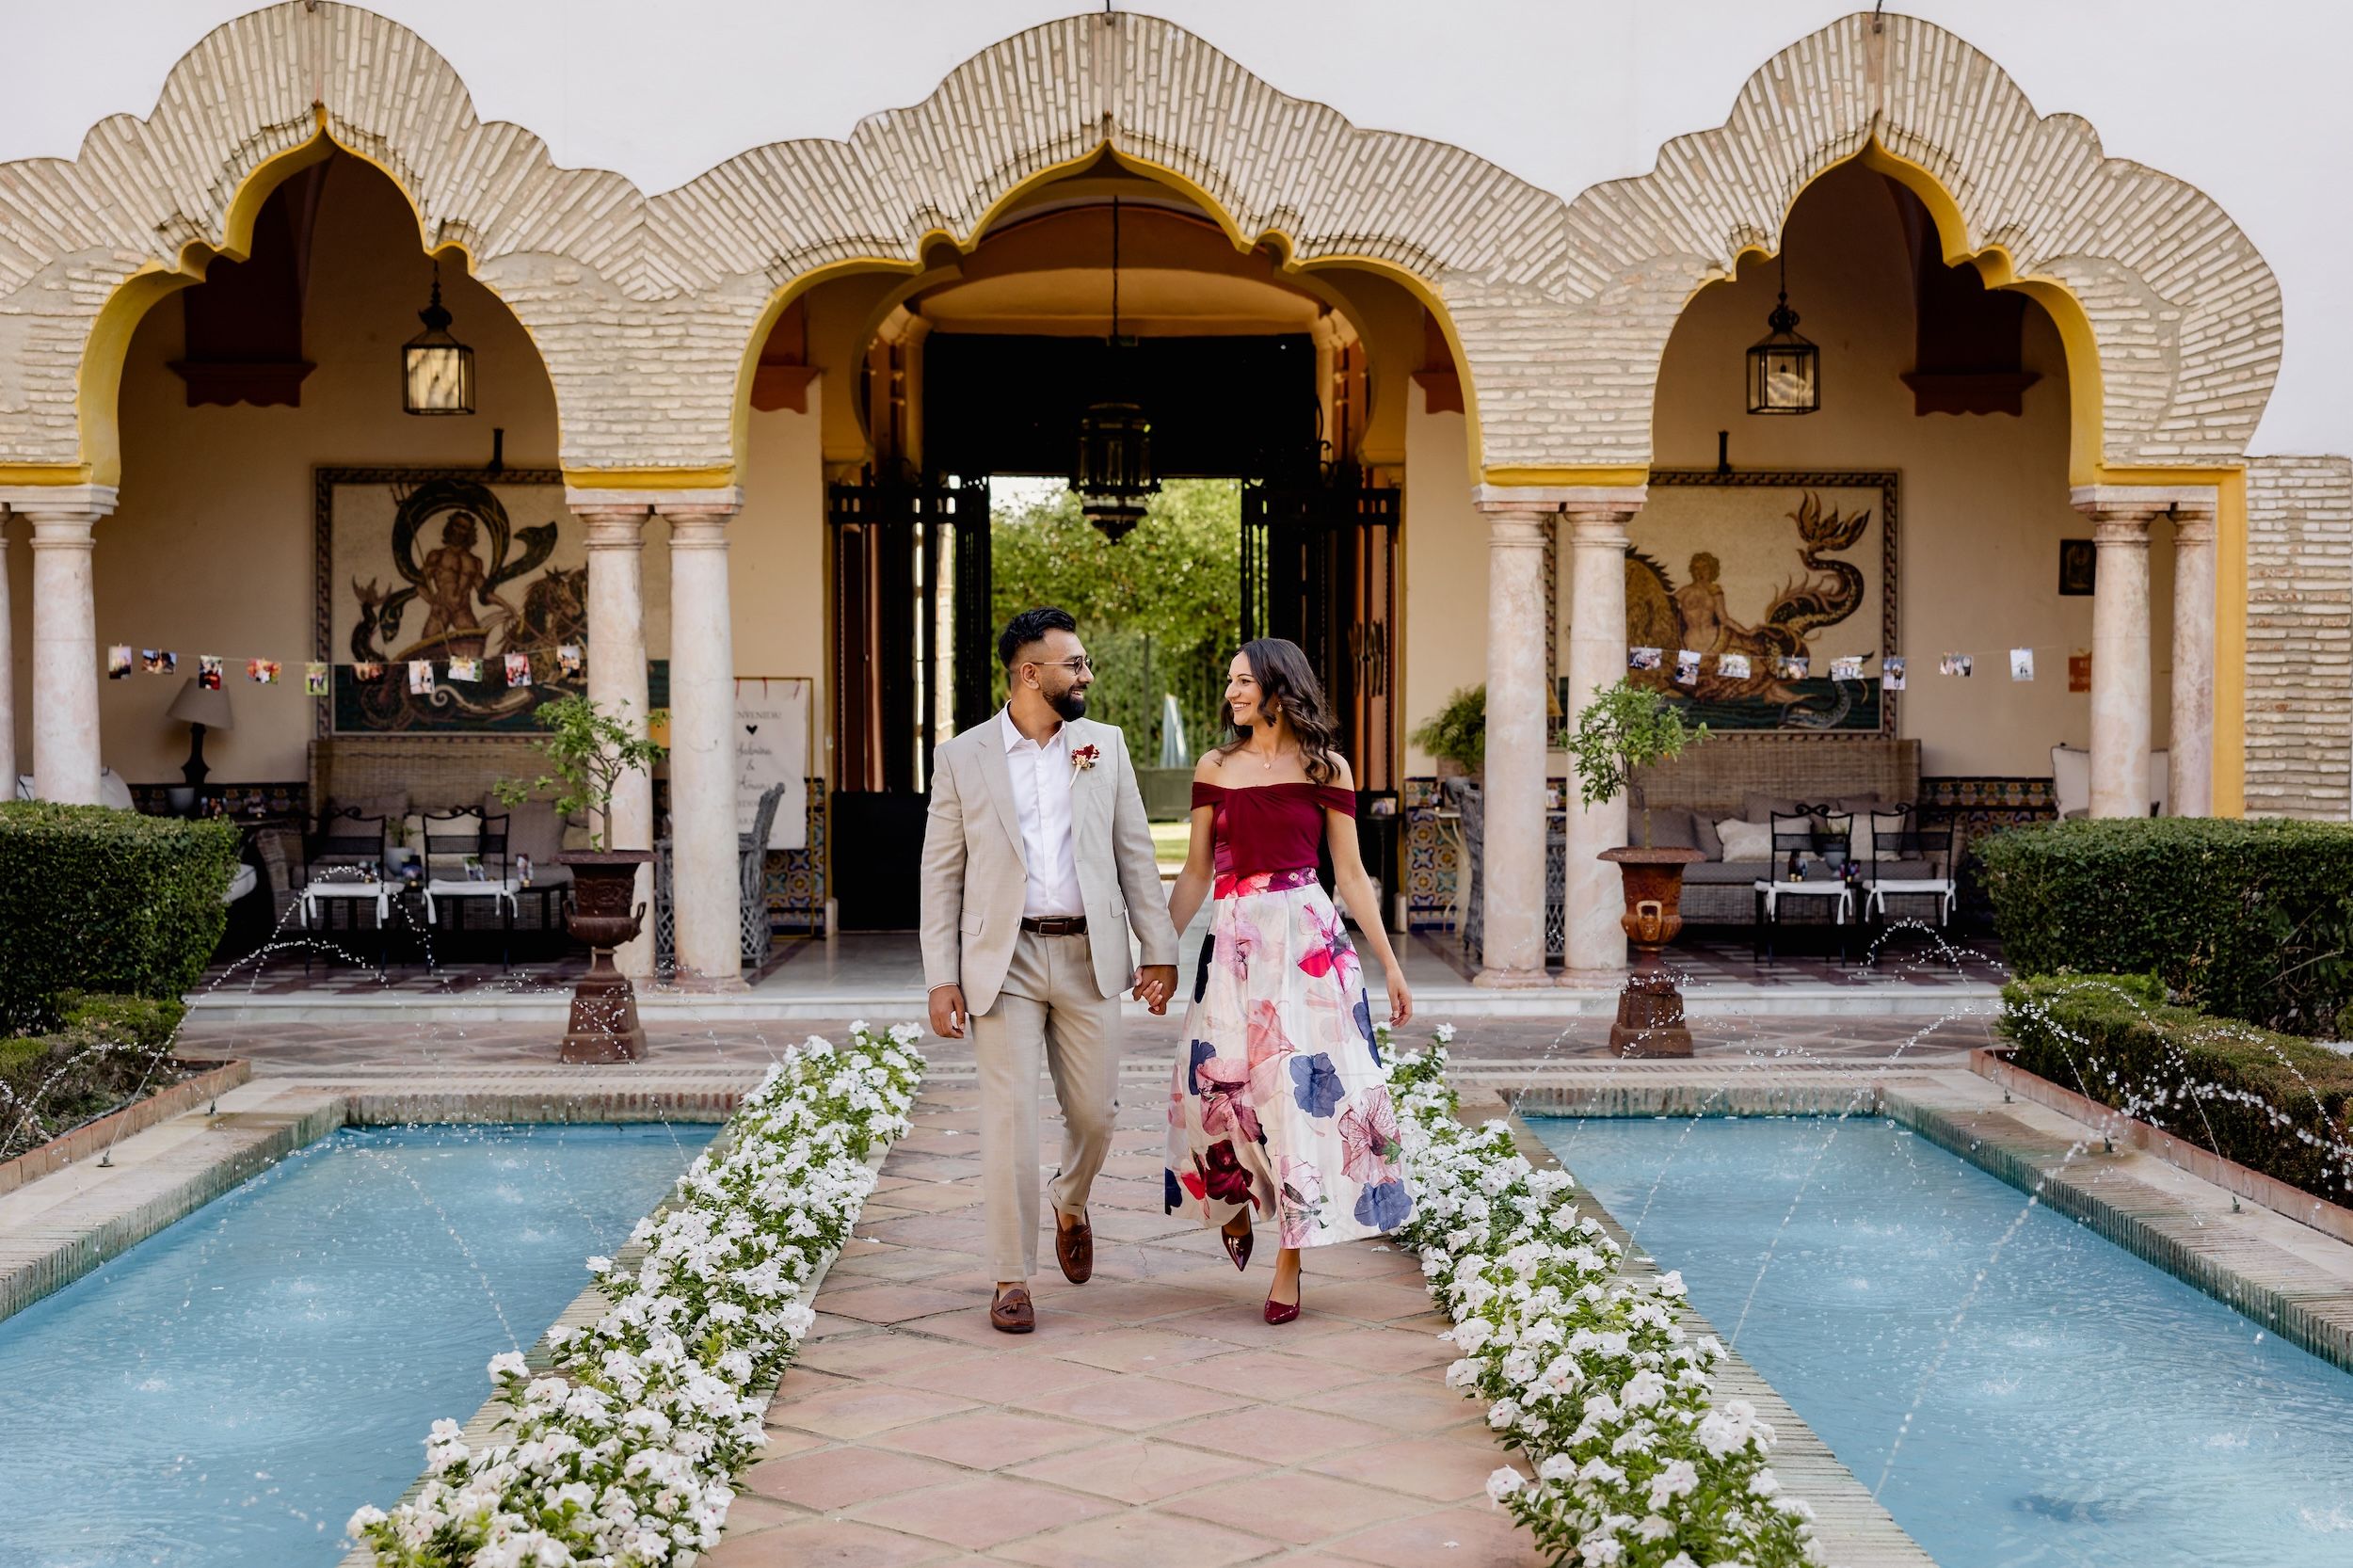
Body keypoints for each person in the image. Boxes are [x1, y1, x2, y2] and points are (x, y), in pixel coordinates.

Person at [920, 607, 1181, 1334]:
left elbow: (1135, 854)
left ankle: (1073, 1199)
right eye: (1075, 664)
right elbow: (940, 875)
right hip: (1001, 962)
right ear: (1030, 674)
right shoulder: (961, 756)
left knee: (1095, 1116)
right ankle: (1011, 1277)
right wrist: (941, 975)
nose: (1087, 675)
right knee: (1008, 1122)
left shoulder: (1107, 746)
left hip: (1088, 955)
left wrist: (1158, 949)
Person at [1162, 638, 1414, 1324]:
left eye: (1243, 681)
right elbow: (1193, 873)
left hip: (1308, 943)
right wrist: (1152, 949)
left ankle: (1289, 1259)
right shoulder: (1216, 766)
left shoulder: (1326, 767)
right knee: (1217, 1087)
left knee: (1296, 1099)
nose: (1232, 692)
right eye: (1230, 682)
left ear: (1279, 687)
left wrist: (1390, 965)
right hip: (1235, 937)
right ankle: (1233, 1198)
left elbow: (1352, 875)